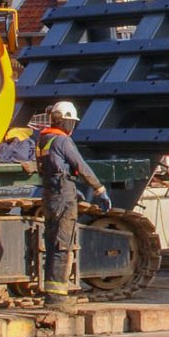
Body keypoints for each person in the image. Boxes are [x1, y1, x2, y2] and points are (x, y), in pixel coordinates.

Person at [35, 101, 112, 313]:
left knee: (52, 245)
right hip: (63, 197)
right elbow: (81, 166)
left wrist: (70, 186)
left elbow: (50, 168)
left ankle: (51, 293)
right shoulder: (62, 140)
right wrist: (99, 189)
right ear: (67, 120)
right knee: (62, 245)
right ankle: (56, 299)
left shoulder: (42, 139)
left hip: (51, 195)